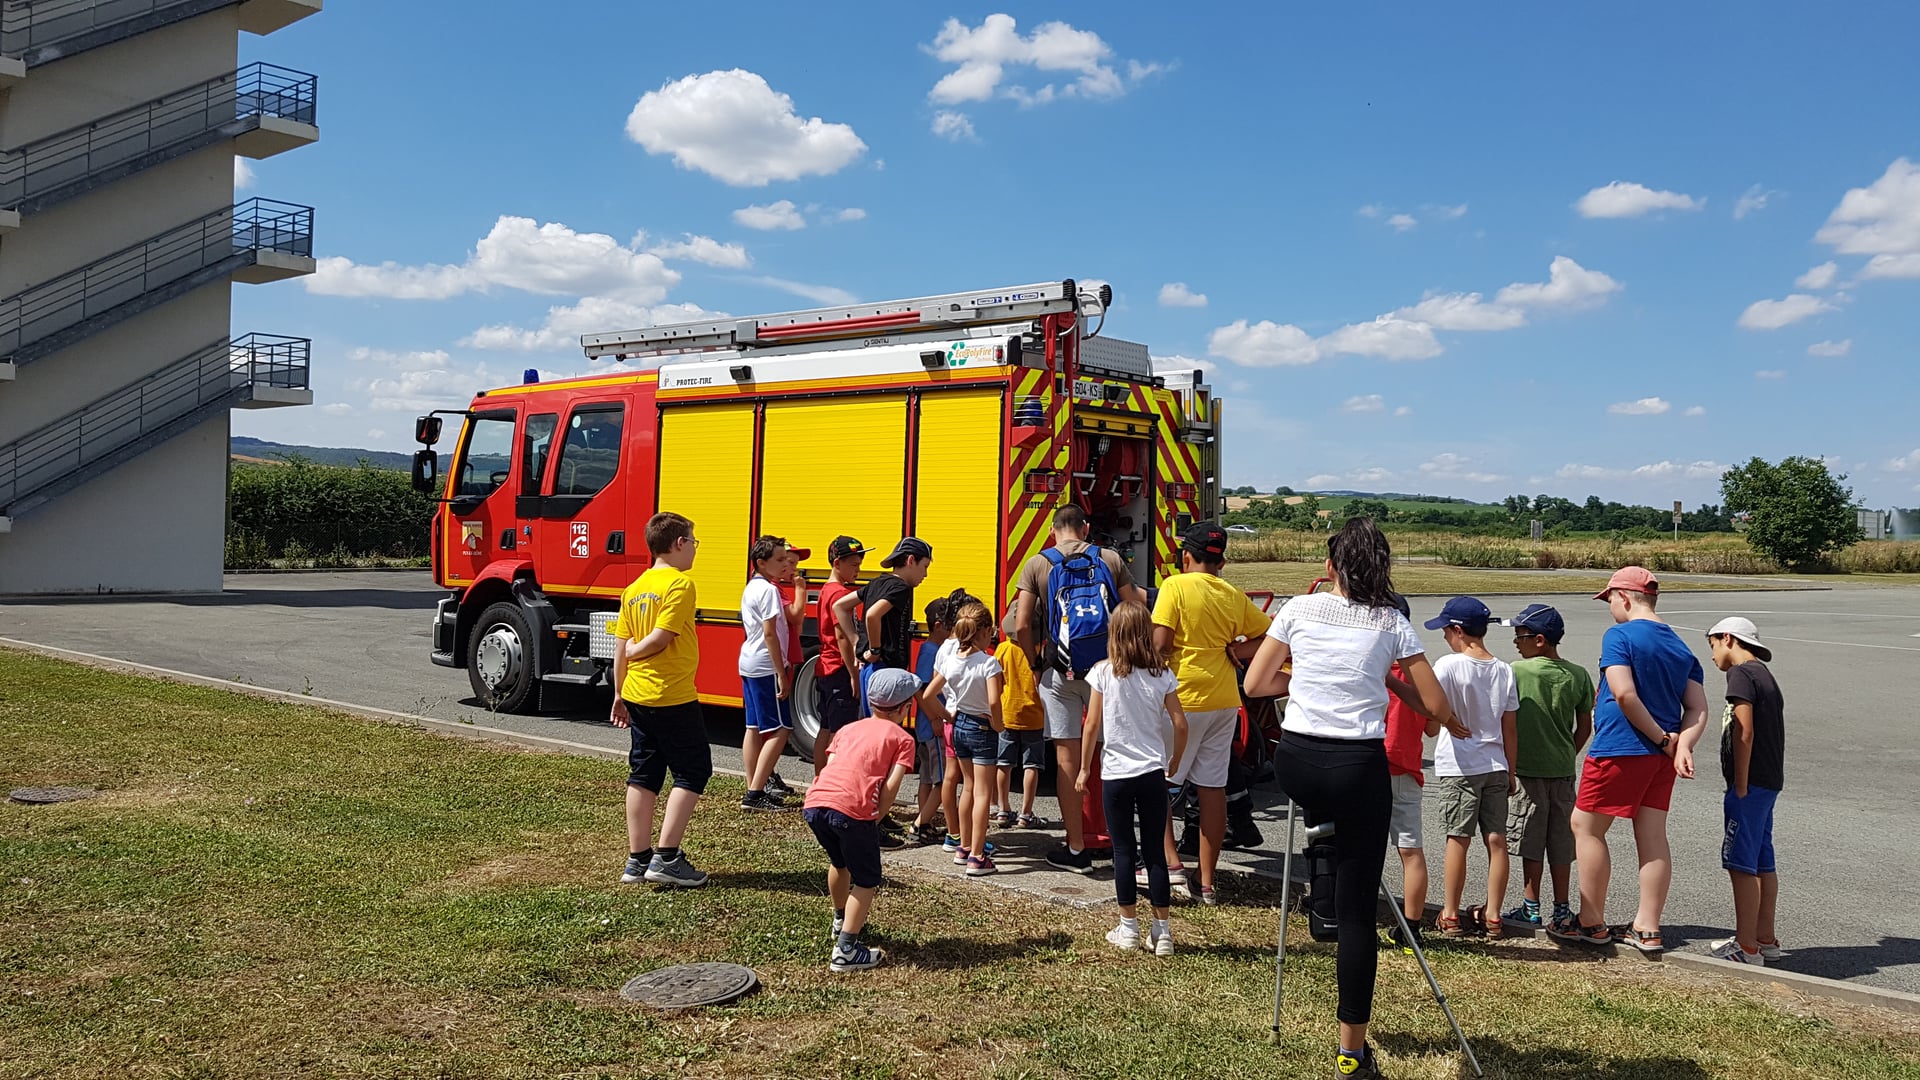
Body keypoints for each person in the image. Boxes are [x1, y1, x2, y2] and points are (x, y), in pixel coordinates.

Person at [1243, 518, 1453, 1080]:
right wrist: (1384, 681)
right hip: (1356, 767)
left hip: (1298, 765)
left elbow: (1256, 685)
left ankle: (1321, 861)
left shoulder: (1297, 608)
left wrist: (1307, 679)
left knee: (1327, 815)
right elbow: (1432, 704)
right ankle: (1351, 1051)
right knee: (1360, 913)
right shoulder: (1391, 620)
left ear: (1331, 566)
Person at [1547, 566, 1708, 954]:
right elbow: (1697, 707)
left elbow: (1624, 694)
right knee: (1652, 836)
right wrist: (1680, 744)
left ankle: (1591, 921)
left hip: (1622, 746)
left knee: (1585, 827)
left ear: (1623, 597)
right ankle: (1648, 927)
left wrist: (1660, 737)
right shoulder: (1680, 646)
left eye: (1609, 601)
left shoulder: (1619, 635)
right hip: (1661, 757)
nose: (1610, 609)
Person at [1013, 504, 1147, 874]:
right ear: (1085, 527)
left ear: (1053, 530)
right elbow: (1135, 604)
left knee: (1067, 760)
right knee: (1112, 756)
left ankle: (1075, 849)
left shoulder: (1038, 564)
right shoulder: (1109, 557)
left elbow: (1022, 624)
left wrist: (1036, 662)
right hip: (1107, 672)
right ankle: (1121, 846)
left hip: (1061, 673)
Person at [1151, 521, 1274, 906]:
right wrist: (1236, 652)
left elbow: (1160, 642)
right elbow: (1271, 635)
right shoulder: (1232, 594)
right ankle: (1206, 882)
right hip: (1224, 700)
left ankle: (1171, 866)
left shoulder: (1174, 586)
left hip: (1182, 697)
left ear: (1186, 557)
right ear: (1220, 562)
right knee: (1212, 787)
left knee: (1162, 782)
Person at [611, 512, 712, 889]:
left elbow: (619, 647)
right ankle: (667, 857)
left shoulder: (634, 587)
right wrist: (639, 651)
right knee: (693, 770)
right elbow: (657, 639)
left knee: (644, 773)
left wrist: (619, 694)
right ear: (679, 543)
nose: (694, 551)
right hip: (670, 694)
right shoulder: (680, 584)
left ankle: (637, 860)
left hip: (637, 694)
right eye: (694, 542)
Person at [1082, 601, 1188, 955]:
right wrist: (1175, 758)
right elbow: (1179, 722)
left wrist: (1085, 768)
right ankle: (1163, 931)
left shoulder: (1103, 673)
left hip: (1116, 773)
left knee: (1123, 849)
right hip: (1152, 772)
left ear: (1114, 633)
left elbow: (1092, 725)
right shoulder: (1162, 675)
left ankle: (1128, 927)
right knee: (1155, 850)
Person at [803, 667, 920, 973]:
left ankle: (840, 918)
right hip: (853, 812)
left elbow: (832, 763)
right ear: (905, 707)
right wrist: (876, 817)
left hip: (816, 804)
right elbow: (892, 785)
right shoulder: (902, 738)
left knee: (839, 862)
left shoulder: (847, 729)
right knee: (867, 879)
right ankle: (846, 950)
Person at [1424, 596, 1520, 940]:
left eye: (1446, 631)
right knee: (1497, 840)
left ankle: (1450, 913)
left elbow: (1433, 716)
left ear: (1458, 631)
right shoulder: (1503, 669)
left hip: (1459, 764)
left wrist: (1444, 722)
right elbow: (1510, 726)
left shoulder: (1448, 666)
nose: (1444, 637)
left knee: (1458, 838)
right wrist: (1511, 769)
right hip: (1495, 763)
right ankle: (1493, 915)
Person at [1501, 604, 1593, 930]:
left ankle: (1531, 905)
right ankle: (1562, 907)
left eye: (1519, 636)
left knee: (1530, 840)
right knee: (1560, 842)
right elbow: (1584, 725)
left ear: (1539, 640)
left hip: (1527, 769)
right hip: (1563, 769)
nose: (1515, 642)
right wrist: (1570, 750)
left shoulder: (1517, 671)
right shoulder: (1579, 675)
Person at [1705, 617, 1786, 967]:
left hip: (1750, 784)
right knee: (1761, 860)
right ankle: (1764, 937)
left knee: (1741, 863)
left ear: (1728, 639)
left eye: (1712, 646)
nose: (1712, 656)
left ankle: (1747, 947)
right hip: (1769, 781)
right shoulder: (1765, 674)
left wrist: (1739, 783)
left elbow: (1744, 729)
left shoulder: (1741, 674)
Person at [1381, 593, 1451, 948]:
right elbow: (1432, 728)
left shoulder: (1373, 668)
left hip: (1371, 764)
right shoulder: (1418, 673)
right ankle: (1411, 927)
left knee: (1363, 847)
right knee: (1411, 851)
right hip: (1407, 768)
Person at [919, 601, 1005, 875]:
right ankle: (978, 856)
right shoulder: (989, 663)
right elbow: (993, 701)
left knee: (967, 787)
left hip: (960, 725)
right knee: (982, 792)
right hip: (982, 727)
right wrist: (999, 724)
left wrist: (947, 716)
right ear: (987, 631)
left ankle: (963, 846)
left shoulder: (953, 659)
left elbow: (928, 694)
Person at [739, 536, 807, 812]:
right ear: (761, 563)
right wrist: (781, 672)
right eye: (779, 560)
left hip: (749, 662)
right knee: (781, 729)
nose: (785, 565)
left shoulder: (752, 587)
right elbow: (770, 633)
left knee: (753, 727)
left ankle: (754, 784)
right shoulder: (768, 590)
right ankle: (756, 793)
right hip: (766, 665)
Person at [834, 537, 933, 711]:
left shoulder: (876, 583)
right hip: (886, 673)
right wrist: (875, 649)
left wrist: (856, 641)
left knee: (873, 728)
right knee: (886, 728)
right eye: (924, 566)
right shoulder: (901, 588)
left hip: (869, 671)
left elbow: (839, 606)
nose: (925, 574)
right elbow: (872, 616)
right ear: (911, 560)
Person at [811, 536, 868, 777]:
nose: (858, 569)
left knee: (825, 728)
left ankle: (819, 781)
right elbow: (842, 637)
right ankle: (832, 785)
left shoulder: (827, 590)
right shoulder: (839, 594)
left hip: (827, 668)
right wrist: (854, 675)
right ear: (837, 563)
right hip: (839, 670)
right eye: (853, 565)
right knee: (840, 732)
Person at [994, 609, 1049, 829]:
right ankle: (1026, 813)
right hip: (1034, 716)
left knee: (1004, 763)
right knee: (1032, 765)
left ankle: (1002, 809)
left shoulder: (1003, 649)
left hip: (1008, 713)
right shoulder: (1039, 651)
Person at [910, 597, 954, 845]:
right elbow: (921, 689)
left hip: (926, 727)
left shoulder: (929, 649)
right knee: (942, 780)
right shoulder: (931, 652)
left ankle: (924, 821)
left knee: (927, 778)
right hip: (933, 726)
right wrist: (935, 718)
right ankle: (919, 825)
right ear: (939, 626)